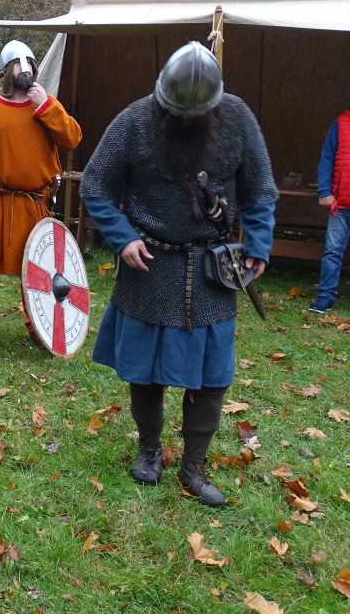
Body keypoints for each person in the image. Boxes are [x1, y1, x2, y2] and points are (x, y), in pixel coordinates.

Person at [79, 41, 277, 507]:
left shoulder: (237, 117)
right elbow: (96, 185)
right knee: (145, 372)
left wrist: (260, 242)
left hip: (212, 270)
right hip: (149, 266)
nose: (186, 121)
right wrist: (123, 237)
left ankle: (194, 465)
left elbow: (260, 189)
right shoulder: (134, 121)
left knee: (212, 376)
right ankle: (150, 449)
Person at [0, 40, 82, 349]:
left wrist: (46, 105)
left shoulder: (47, 106)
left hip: (32, 203)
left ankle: (38, 327)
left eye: (30, 64)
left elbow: (72, 138)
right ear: (6, 71)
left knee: (37, 269)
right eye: (18, 64)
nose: (26, 69)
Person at [308, 112, 350, 313]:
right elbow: (327, 157)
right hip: (340, 204)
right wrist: (324, 191)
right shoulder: (341, 123)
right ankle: (325, 297)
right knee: (332, 252)